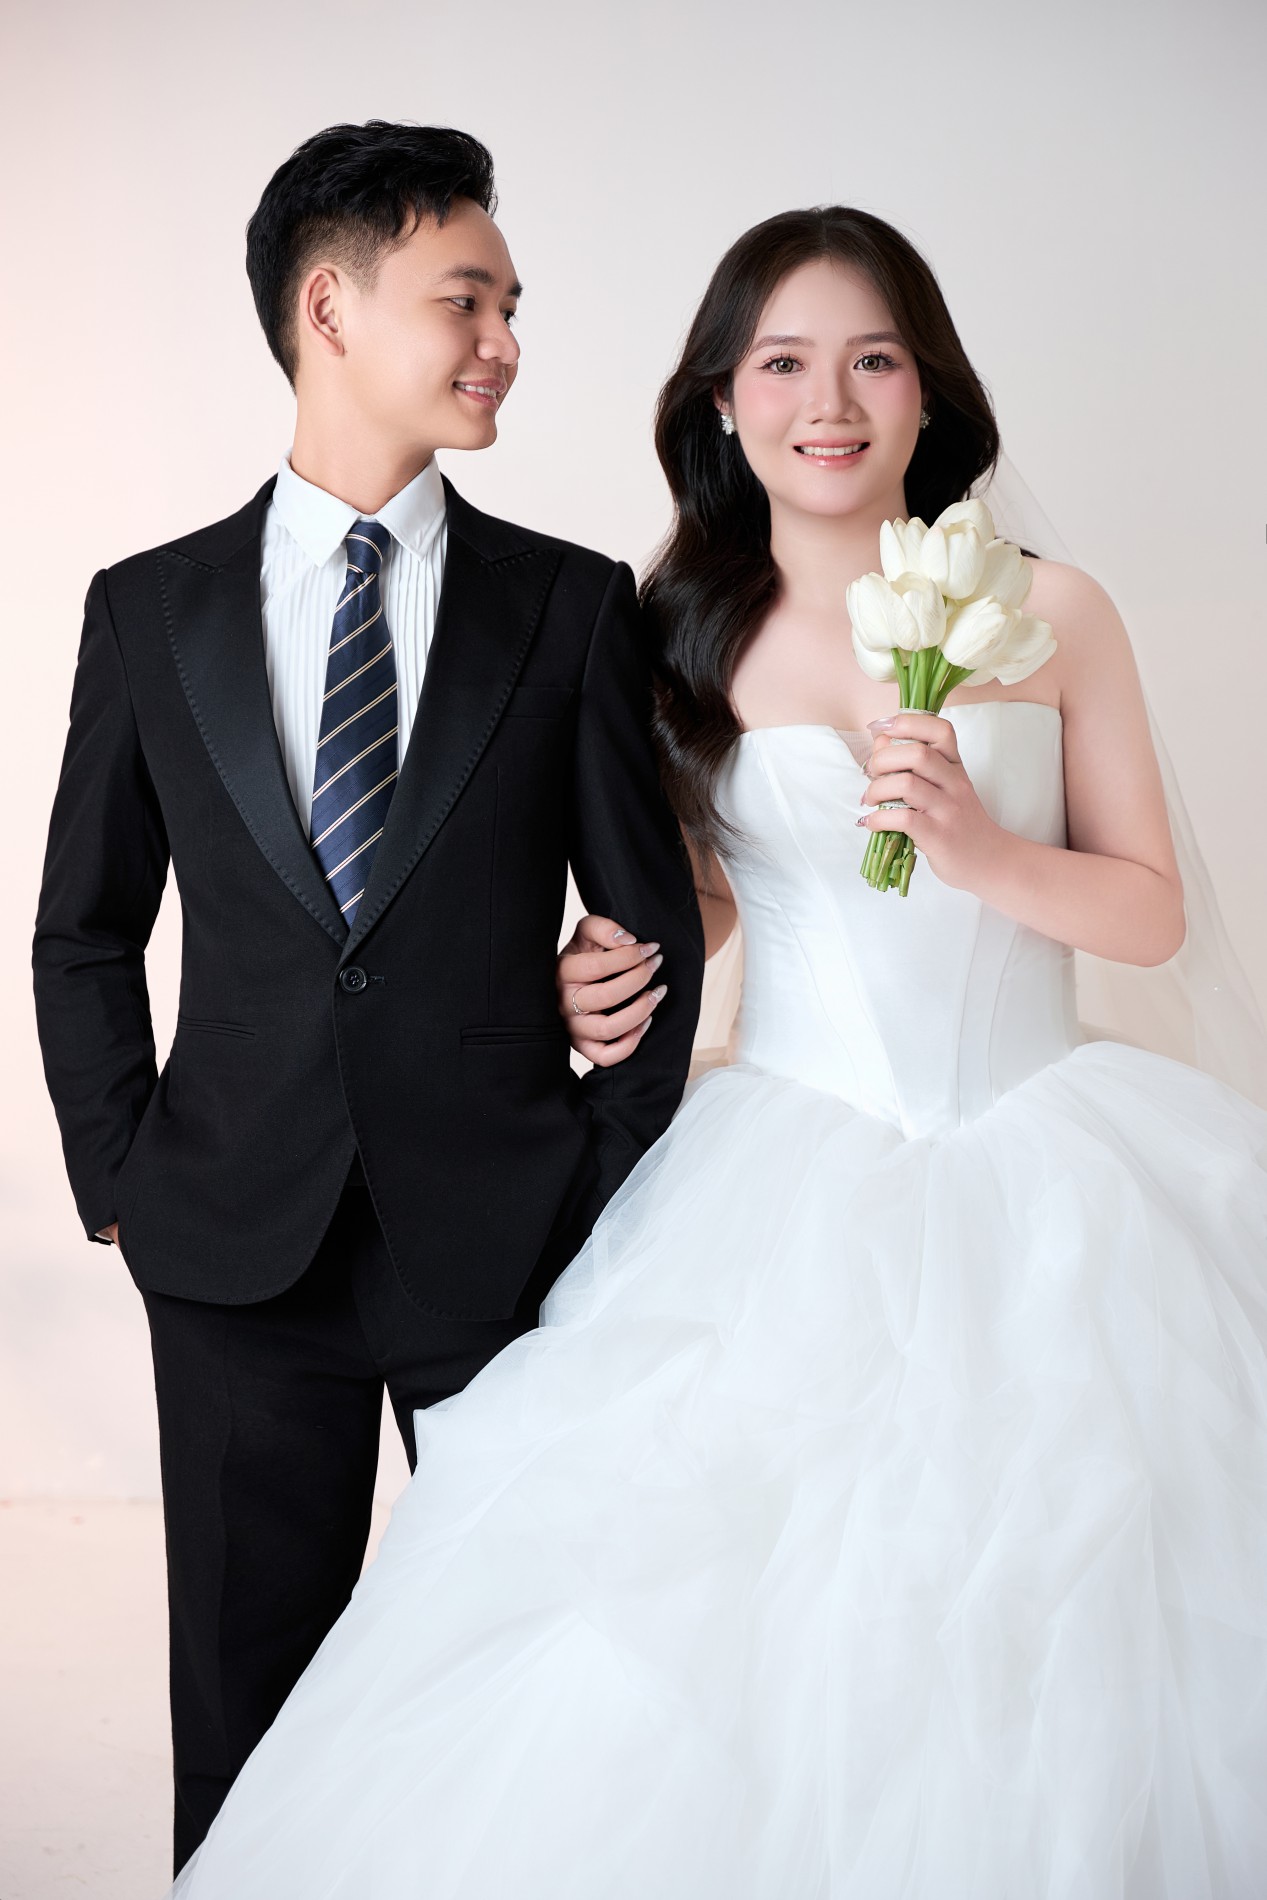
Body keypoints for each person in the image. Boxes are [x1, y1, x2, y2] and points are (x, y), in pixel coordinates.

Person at [167, 206, 1267, 1897]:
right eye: (784, 363)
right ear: (724, 400)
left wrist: (979, 849)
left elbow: (1150, 915)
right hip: (789, 1171)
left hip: (1050, 1157)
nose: (830, 402)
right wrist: (582, 972)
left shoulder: (1055, 611)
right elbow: (699, 900)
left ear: (927, 391)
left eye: (873, 360)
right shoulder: (669, 632)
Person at [30, 119, 703, 1874]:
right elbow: (83, 930)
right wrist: (124, 1185)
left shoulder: (567, 607)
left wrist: (601, 1180)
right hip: (229, 1249)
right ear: (329, 310)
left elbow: (653, 921)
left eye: (512, 306)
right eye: (465, 300)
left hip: (505, 1244)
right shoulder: (149, 611)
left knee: (537, 1696)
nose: (505, 342)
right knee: (244, 1717)